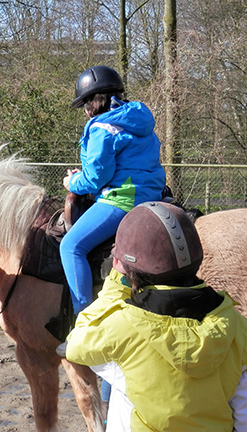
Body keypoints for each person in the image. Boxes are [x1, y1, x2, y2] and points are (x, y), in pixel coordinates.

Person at [63, 201, 247, 431]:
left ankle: (77, 298)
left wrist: (114, 284)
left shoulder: (121, 327)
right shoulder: (238, 326)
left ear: (126, 268)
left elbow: (75, 345)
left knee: (70, 247)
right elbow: (243, 413)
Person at [60, 65, 165, 317]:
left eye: (85, 104)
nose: (85, 112)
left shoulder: (101, 128)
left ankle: (82, 319)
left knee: (71, 247)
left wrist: (72, 183)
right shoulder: (140, 121)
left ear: (97, 100)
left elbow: (96, 178)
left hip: (121, 199)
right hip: (154, 196)